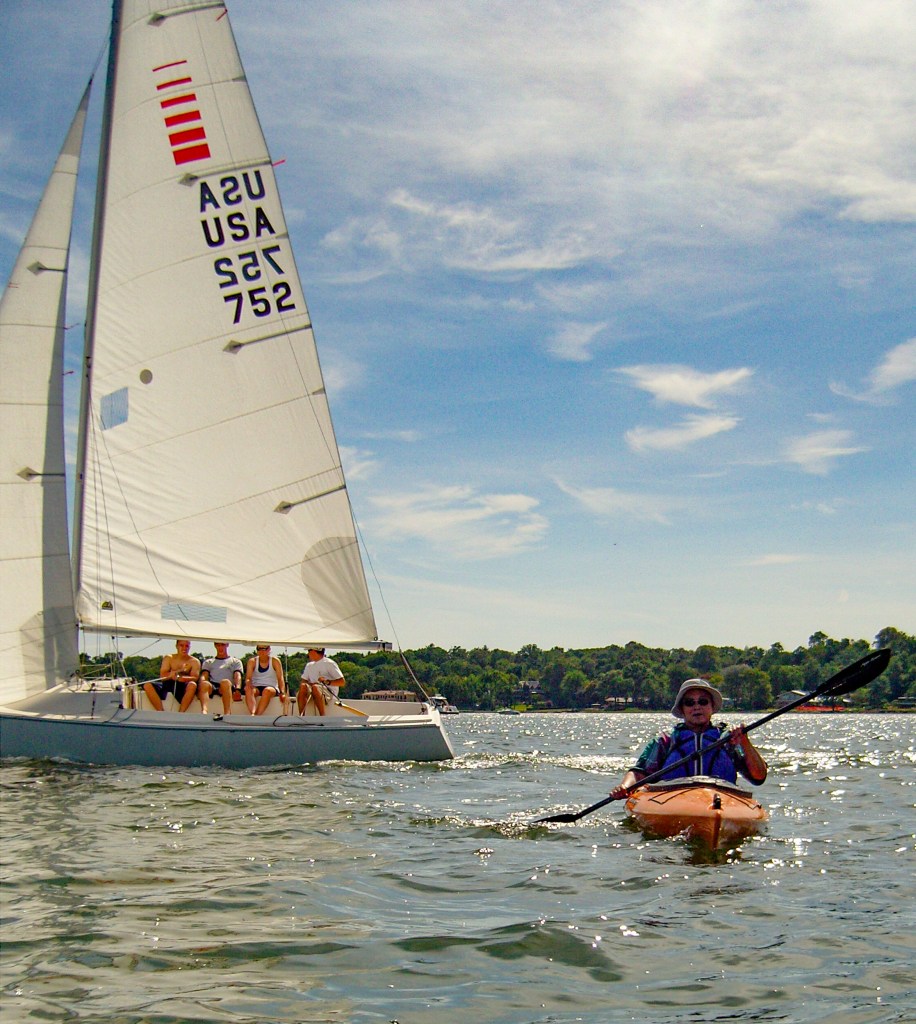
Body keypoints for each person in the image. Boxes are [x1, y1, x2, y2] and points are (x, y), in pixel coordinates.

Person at [609, 678, 767, 800]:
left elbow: (759, 777)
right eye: (690, 703)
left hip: (721, 799)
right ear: (682, 710)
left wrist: (745, 743)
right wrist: (624, 786)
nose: (697, 707)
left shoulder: (728, 739)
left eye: (703, 702)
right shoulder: (666, 740)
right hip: (672, 799)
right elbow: (639, 773)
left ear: (712, 707)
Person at [144, 639, 200, 712]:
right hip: (168, 683)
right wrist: (180, 671)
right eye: (181, 645)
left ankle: (181, 713)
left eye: (187, 646)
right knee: (147, 685)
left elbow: (195, 678)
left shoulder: (194, 661)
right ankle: (160, 711)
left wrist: (180, 678)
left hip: (183, 685)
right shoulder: (169, 658)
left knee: (193, 685)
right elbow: (163, 676)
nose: (184, 648)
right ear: (176, 646)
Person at [297, 647, 346, 717]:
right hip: (314, 689)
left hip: (329, 692)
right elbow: (303, 681)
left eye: (309, 651)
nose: (308, 653)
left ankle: (322, 716)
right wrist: (310, 684)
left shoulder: (329, 663)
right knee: (303, 686)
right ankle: (301, 716)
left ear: (314, 651)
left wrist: (327, 682)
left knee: (315, 687)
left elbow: (342, 682)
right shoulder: (309, 665)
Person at [198, 641, 243, 715]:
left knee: (225, 682)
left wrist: (238, 689)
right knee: (204, 684)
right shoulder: (208, 662)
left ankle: (227, 712)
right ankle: (204, 711)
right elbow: (204, 675)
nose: (220, 647)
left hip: (227, 686)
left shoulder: (235, 661)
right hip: (213, 685)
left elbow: (237, 676)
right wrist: (201, 684)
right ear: (215, 646)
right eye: (218, 645)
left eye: (223, 645)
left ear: (227, 645)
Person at [244, 644, 287, 715]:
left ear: (269, 649)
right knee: (248, 690)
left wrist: (282, 692)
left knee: (267, 691)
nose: (261, 651)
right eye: (259, 649)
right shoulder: (252, 661)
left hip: (271, 687)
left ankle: (257, 715)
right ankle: (252, 713)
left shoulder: (275, 661)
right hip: (256, 686)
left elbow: (280, 678)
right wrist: (248, 683)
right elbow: (248, 678)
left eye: (264, 649)